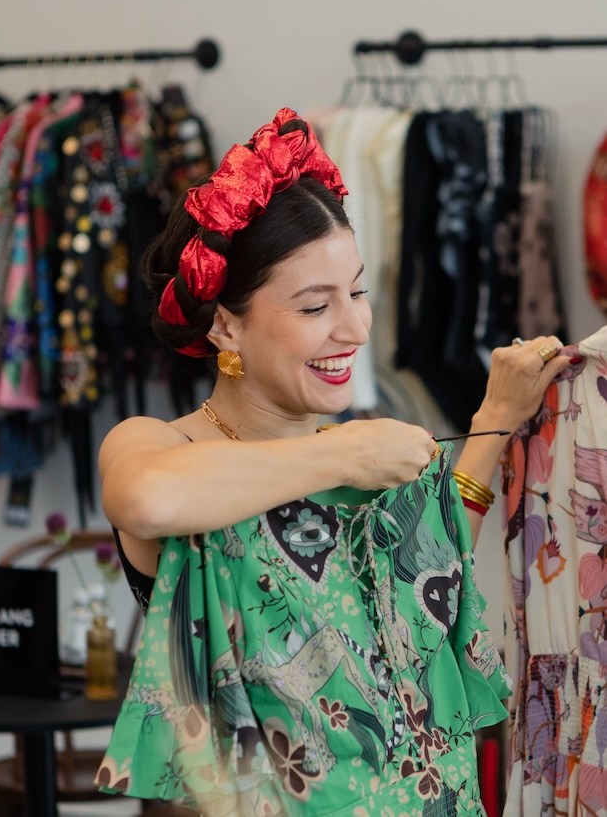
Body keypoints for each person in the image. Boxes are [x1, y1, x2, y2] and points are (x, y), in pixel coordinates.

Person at [95, 108, 571, 817]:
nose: (352, 328)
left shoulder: (359, 453)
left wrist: (492, 421)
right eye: (316, 305)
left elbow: (422, 576)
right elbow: (147, 500)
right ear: (226, 322)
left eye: (356, 291)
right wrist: (337, 449)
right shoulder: (164, 447)